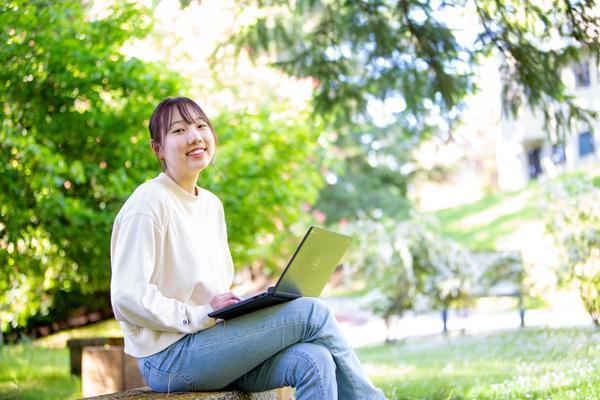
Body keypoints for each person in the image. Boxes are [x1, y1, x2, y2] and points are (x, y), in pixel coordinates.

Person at [110, 97, 386, 399]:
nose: (194, 136)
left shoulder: (211, 205)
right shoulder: (149, 202)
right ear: (158, 149)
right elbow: (128, 297)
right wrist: (200, 315)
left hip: (210, 344)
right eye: (178, 131)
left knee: (314, 360)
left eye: (201, 126)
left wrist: (254, 307)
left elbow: (212, 295)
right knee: (312, 313)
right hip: (169, 358)